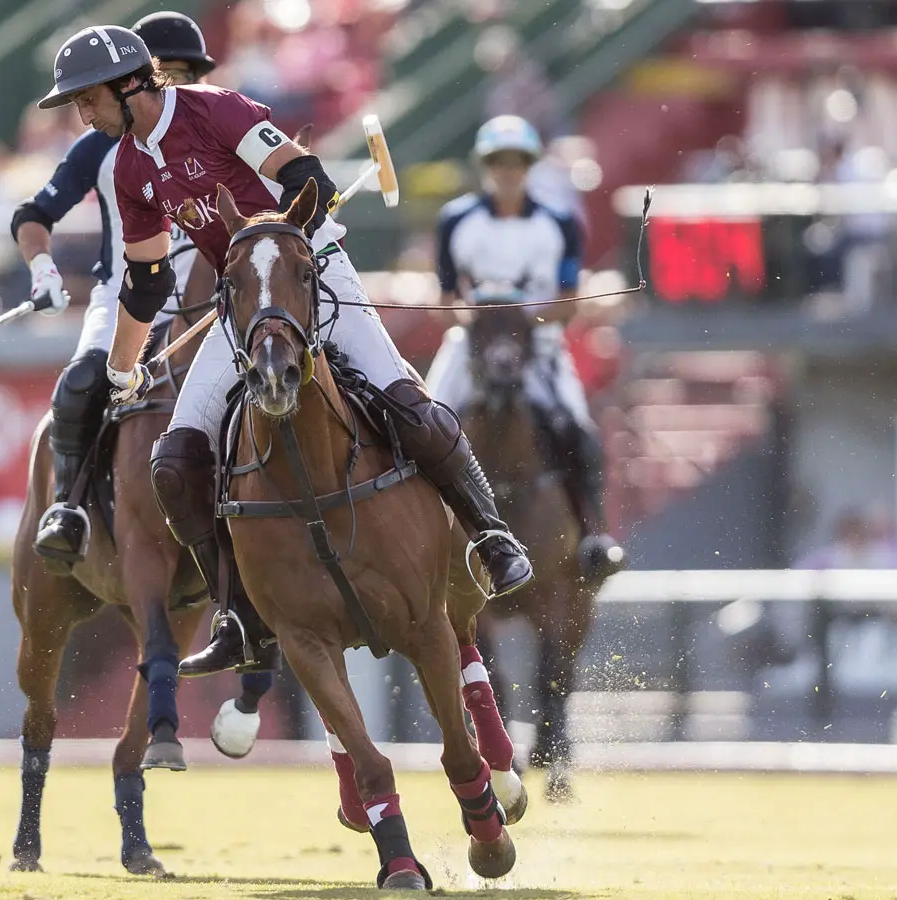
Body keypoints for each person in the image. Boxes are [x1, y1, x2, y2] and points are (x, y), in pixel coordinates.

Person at [33, 25, 534, 676]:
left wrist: (266, 242)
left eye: (87, 98)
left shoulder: (217, 109)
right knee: (175, 460)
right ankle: (238, 614)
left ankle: (491, 536)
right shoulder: (129, 168)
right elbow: (149, 279)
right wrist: (123, 367)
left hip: (312, 272)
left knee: (403, 399)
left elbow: (303, 175)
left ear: (131, 85)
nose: (82, 113)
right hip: (241, 306)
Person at [16, 12, 219, 571]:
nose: (174, 85)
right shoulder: (100, 148)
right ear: (132, 77)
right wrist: (43, 269)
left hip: (214, 296)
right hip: (124, 296)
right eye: (165, 72)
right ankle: (68, 507)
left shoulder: (219, 125)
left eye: (186, 74)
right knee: (82, 381)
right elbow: (34, 214)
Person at [426, 114, 623, 577]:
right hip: (470, 350)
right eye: (498, 161)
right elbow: (445, 299)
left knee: (577, 427)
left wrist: (514, 320)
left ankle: (594, 534)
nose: (507, 171)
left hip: (539, 351)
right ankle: (420, 535)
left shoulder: (559, 223)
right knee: (425, 427)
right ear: (485, 165)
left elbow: (568, 302)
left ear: (530, 165)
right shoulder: (456, 219)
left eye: (516, 161)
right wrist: (479, 322)